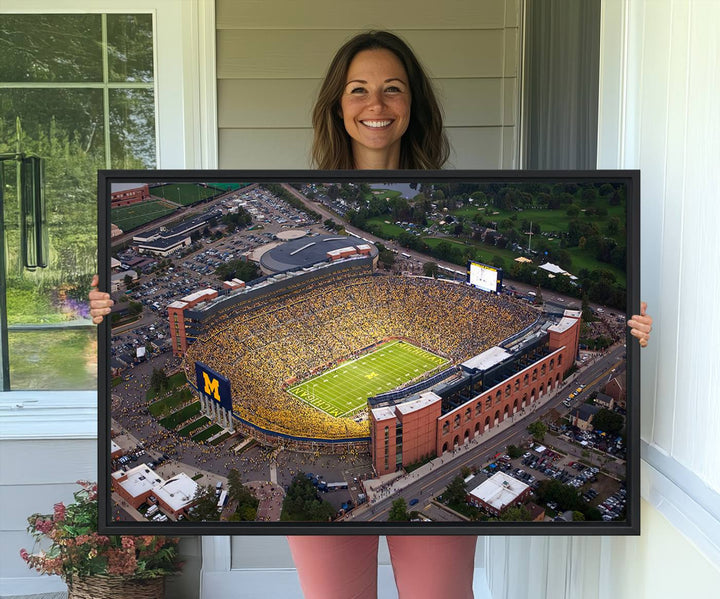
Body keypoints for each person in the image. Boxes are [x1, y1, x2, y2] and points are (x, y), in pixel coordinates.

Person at [89, 30, 653, 599]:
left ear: (415, 104)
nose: (376, 105)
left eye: (393, 89)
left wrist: (633, 332)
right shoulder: (295, 177)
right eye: (358, 89)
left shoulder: (467, 179)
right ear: (337, 104)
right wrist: (102, 310)